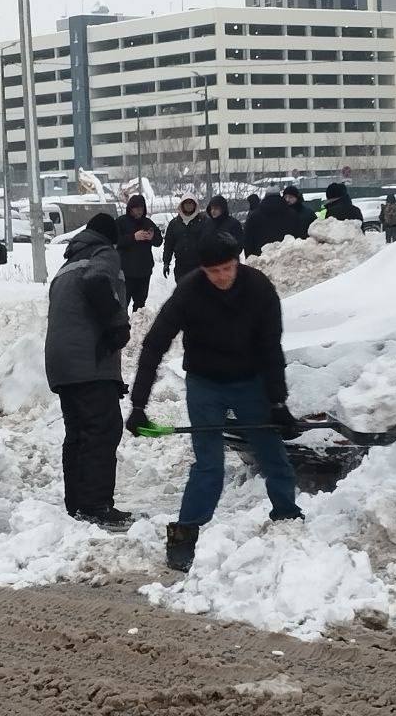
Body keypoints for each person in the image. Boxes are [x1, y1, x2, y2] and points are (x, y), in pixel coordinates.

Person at [127, 232, 304, 572]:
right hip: (205, 384)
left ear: (237, 261)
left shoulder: (259, 289)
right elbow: (154, 345)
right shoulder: (190, 291)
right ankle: (185, 534)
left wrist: (278, 402)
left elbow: (271, 348)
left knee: (273, 454)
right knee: (209, 464)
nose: (222, 277)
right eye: (214, 271)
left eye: (227, 268)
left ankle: (288, 519)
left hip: (250, 381)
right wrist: (138, 405)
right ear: (203, 270)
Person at [45, 213, 134, 530]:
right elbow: (97, 282)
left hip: (62, 365)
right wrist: (117, 325)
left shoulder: (67, 263)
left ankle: (78, 504)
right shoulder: (103, 254)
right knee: (102, 431)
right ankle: (97, 505)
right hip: (88, 364)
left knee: (79, 434)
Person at [115, 195, 164, 311]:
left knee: (140, 305)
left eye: (141, 209)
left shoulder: (148, 223)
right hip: (125, 272)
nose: (139, 211)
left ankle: (138, 326)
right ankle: (122, 327)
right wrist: (133, 237)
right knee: (122, 303)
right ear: (130, 209)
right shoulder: (120, 222)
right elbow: (114, 241)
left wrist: (152, 237)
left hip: (144, 272)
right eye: (136, 208)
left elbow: (159, 241)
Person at [243, 189, 304, 257]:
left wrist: (250, 259)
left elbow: (247, 241)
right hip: (287, 258)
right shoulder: (293, 214)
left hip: (261, 260)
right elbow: (300, 237)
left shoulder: (254, 216)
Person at [163, 193, 206, 281]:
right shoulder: (174, 223)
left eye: (191, 203)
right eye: (186, 203)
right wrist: (166, 263)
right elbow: (168, 245)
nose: (189, 205)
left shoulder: (204, 222)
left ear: (195, 205)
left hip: (199, 265)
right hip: (181, 266)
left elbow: (210, 242)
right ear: (182, 205)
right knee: (183, 292)